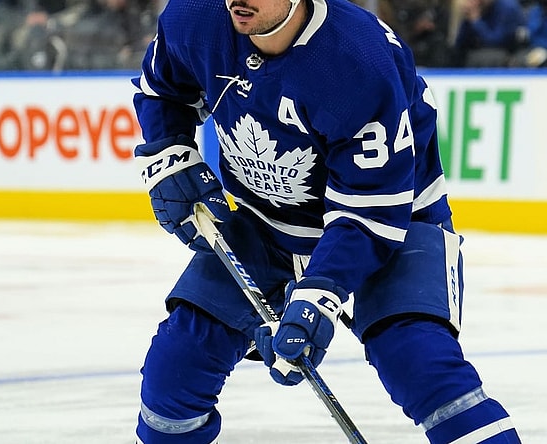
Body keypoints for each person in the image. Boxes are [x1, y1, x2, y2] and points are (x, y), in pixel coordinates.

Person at [130, 0, 523, 443]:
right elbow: (163, 89)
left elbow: (369, 211)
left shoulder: (358, 59)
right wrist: (169, 152)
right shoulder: (195, 15)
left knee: (419, 363)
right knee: (173, 373)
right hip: (266, 222)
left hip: (392, 222)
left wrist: (319, 295)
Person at [453, 0, 525, 67]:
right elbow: (460, 45)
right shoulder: (477, 9)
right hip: (481, 53)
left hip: (508, 53)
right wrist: (467, 19)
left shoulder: (508, 7)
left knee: (495, 56)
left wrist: (476, 20)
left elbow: (496, 43)